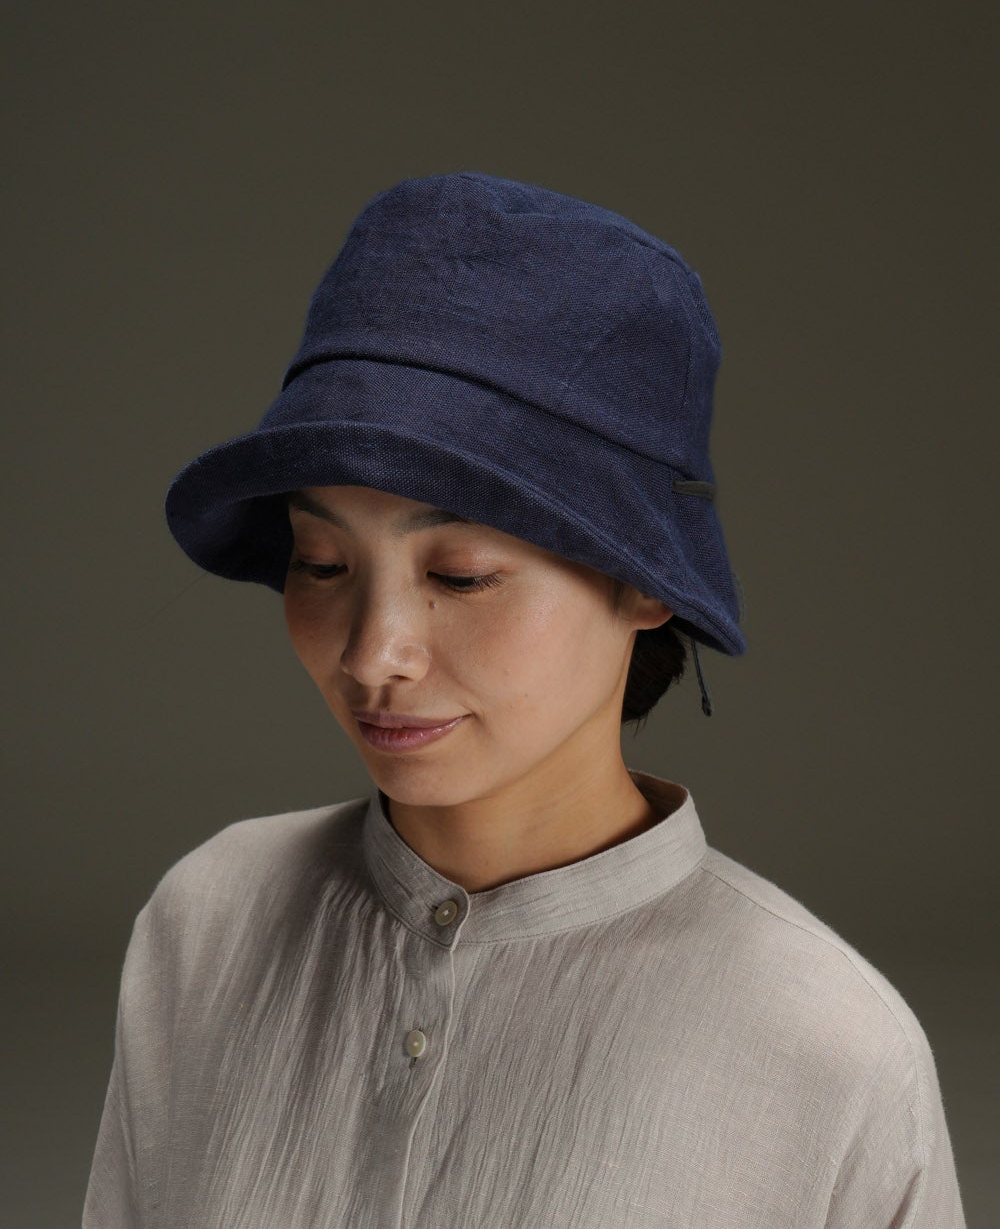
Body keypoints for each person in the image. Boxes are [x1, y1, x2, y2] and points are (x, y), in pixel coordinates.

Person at [83, 173, 965, 1228]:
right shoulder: (211, 918)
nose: (373, 653)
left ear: (641, 579)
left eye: (459, 575)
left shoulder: (822, 1046)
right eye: (320, 563)